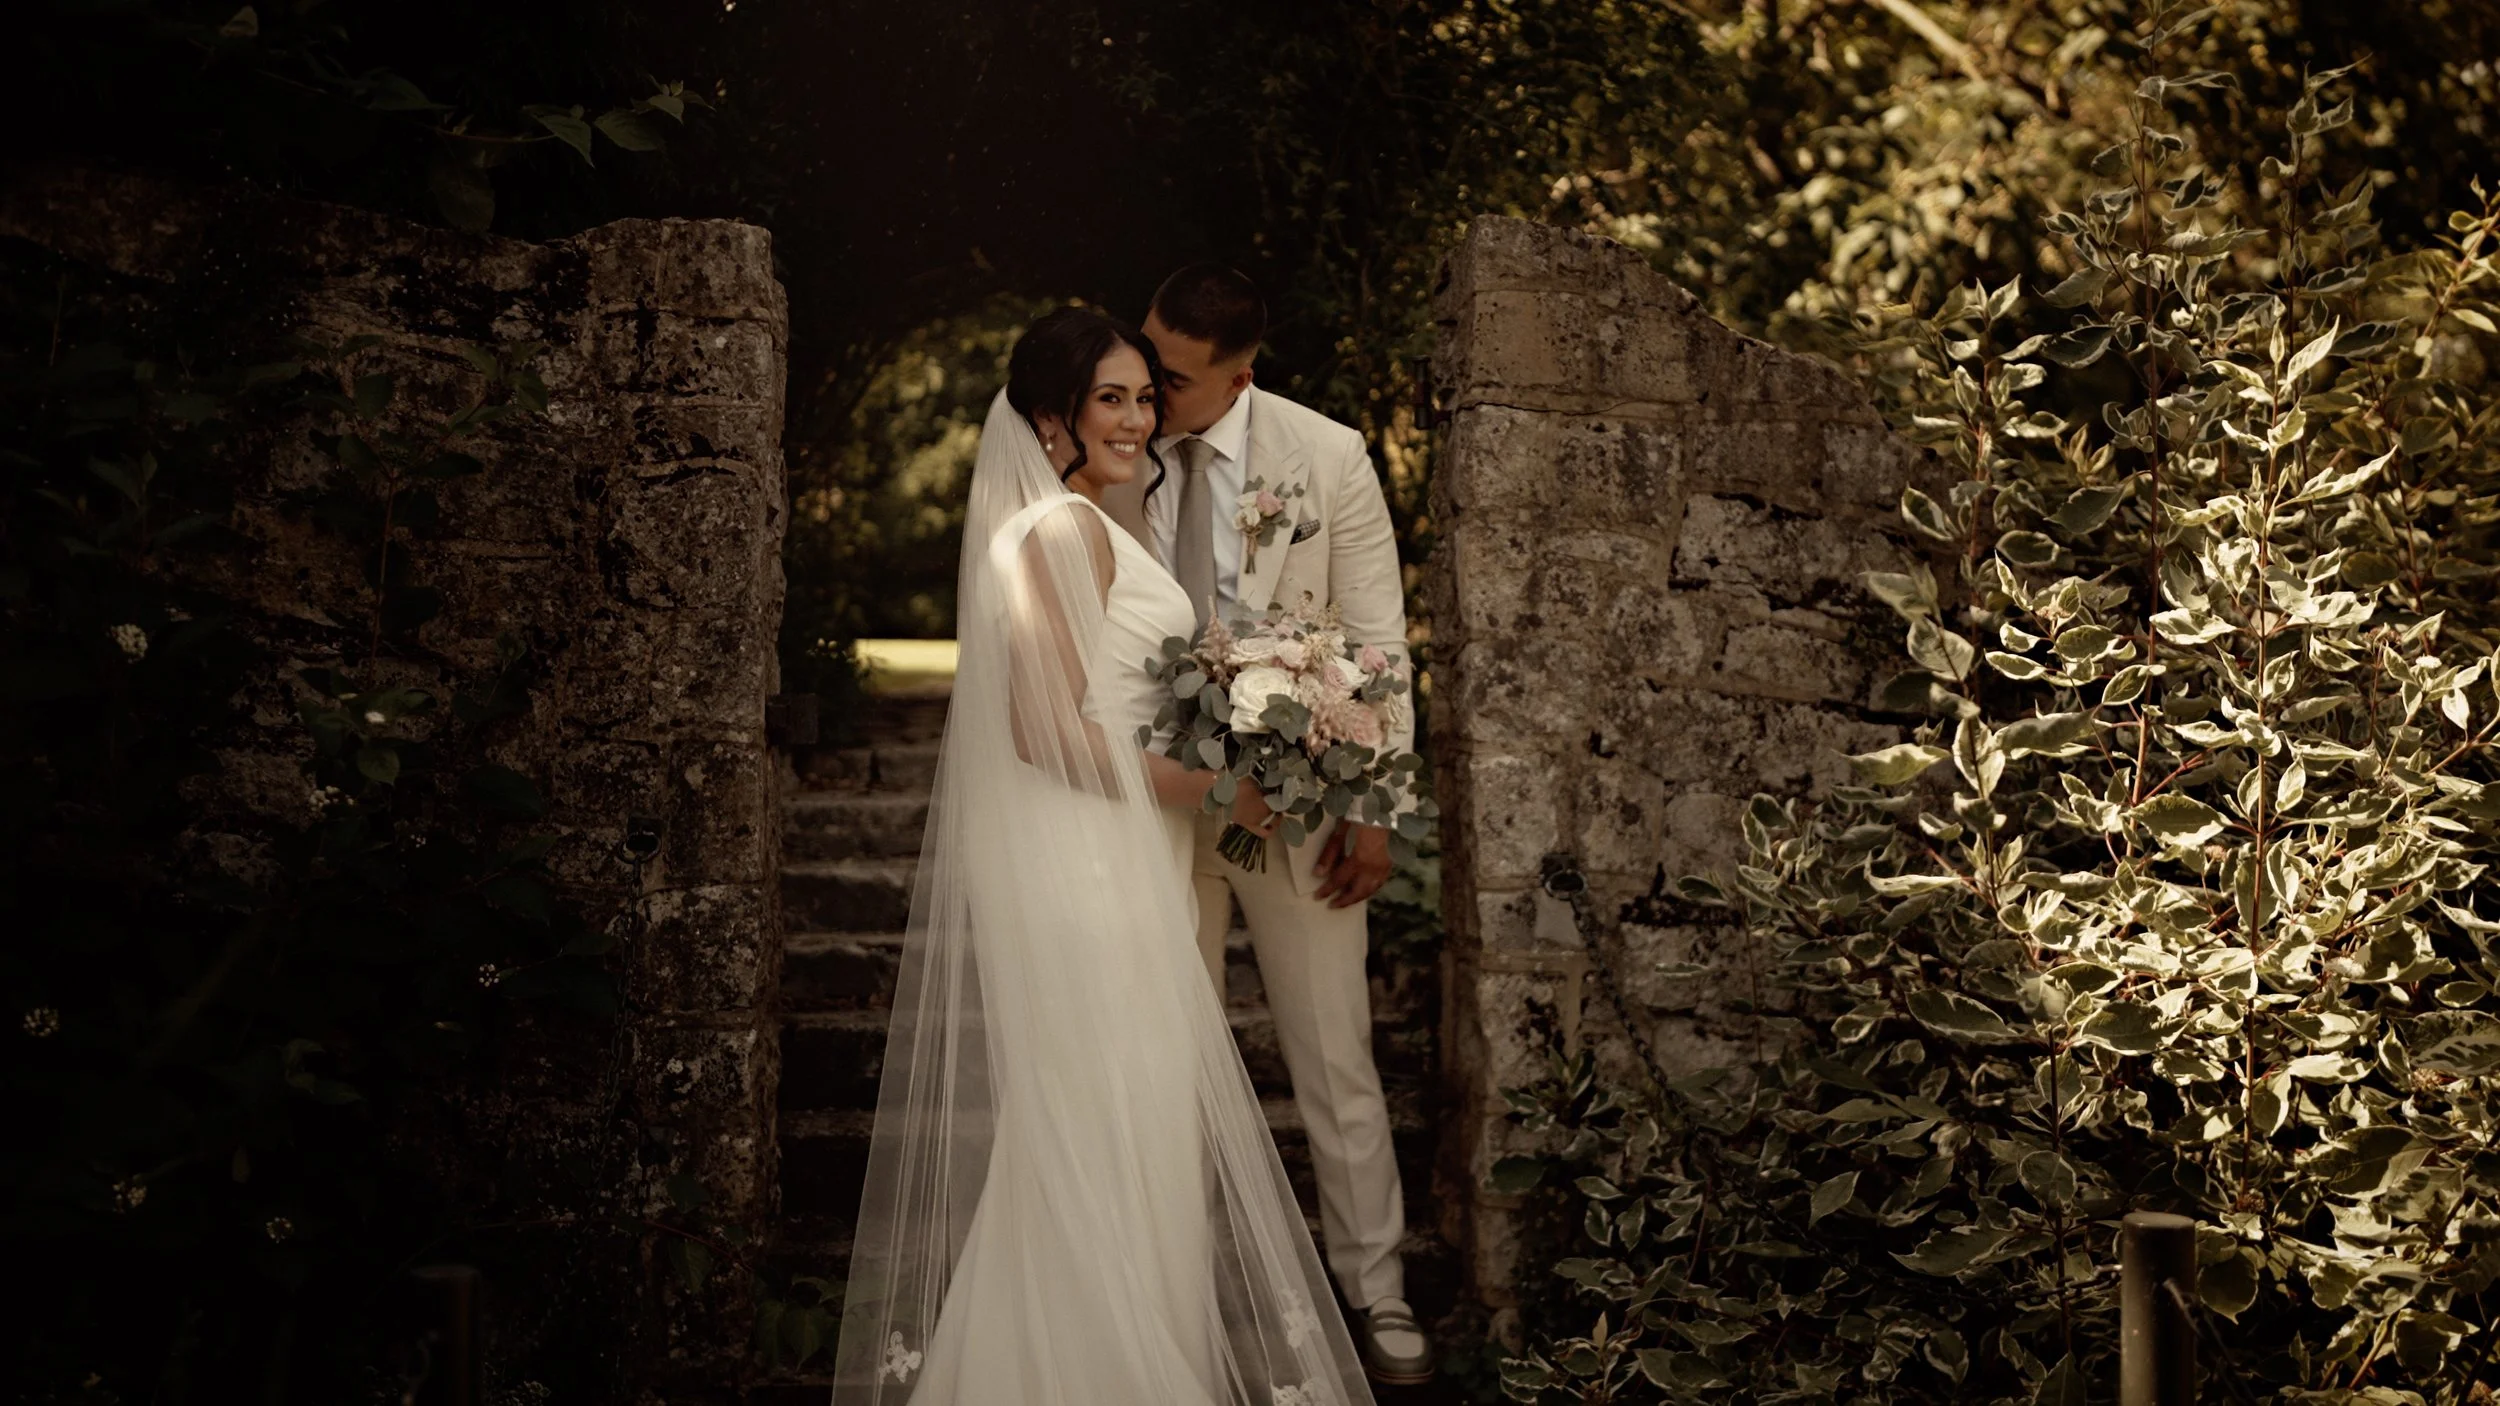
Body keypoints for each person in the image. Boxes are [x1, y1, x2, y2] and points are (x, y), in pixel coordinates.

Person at [830, 306, 1375, 1406]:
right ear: (1049, 417)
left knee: (1110, 1127)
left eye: (1140, 395)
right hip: (1087, 871)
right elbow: (1050, 732)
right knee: (1106, 1125)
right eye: (1107, 400)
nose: (1133, 418)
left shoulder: (1067, 526)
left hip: (1111, 855)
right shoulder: (1058, 535)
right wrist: (1230, 784)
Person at [1100, 264, 1431, 1386]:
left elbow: (1378, 639)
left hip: (1294, 811)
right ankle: (1178, 1291)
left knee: (1334, 1053)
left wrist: (1375, 808)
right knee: (1168, 1059)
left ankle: (1376, 1293)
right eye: (1144, 355)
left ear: (1242, 375)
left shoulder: (1324, 455)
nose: (1146, 387)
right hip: (1154, 805)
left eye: (1174, 376)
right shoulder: (1113, 441)